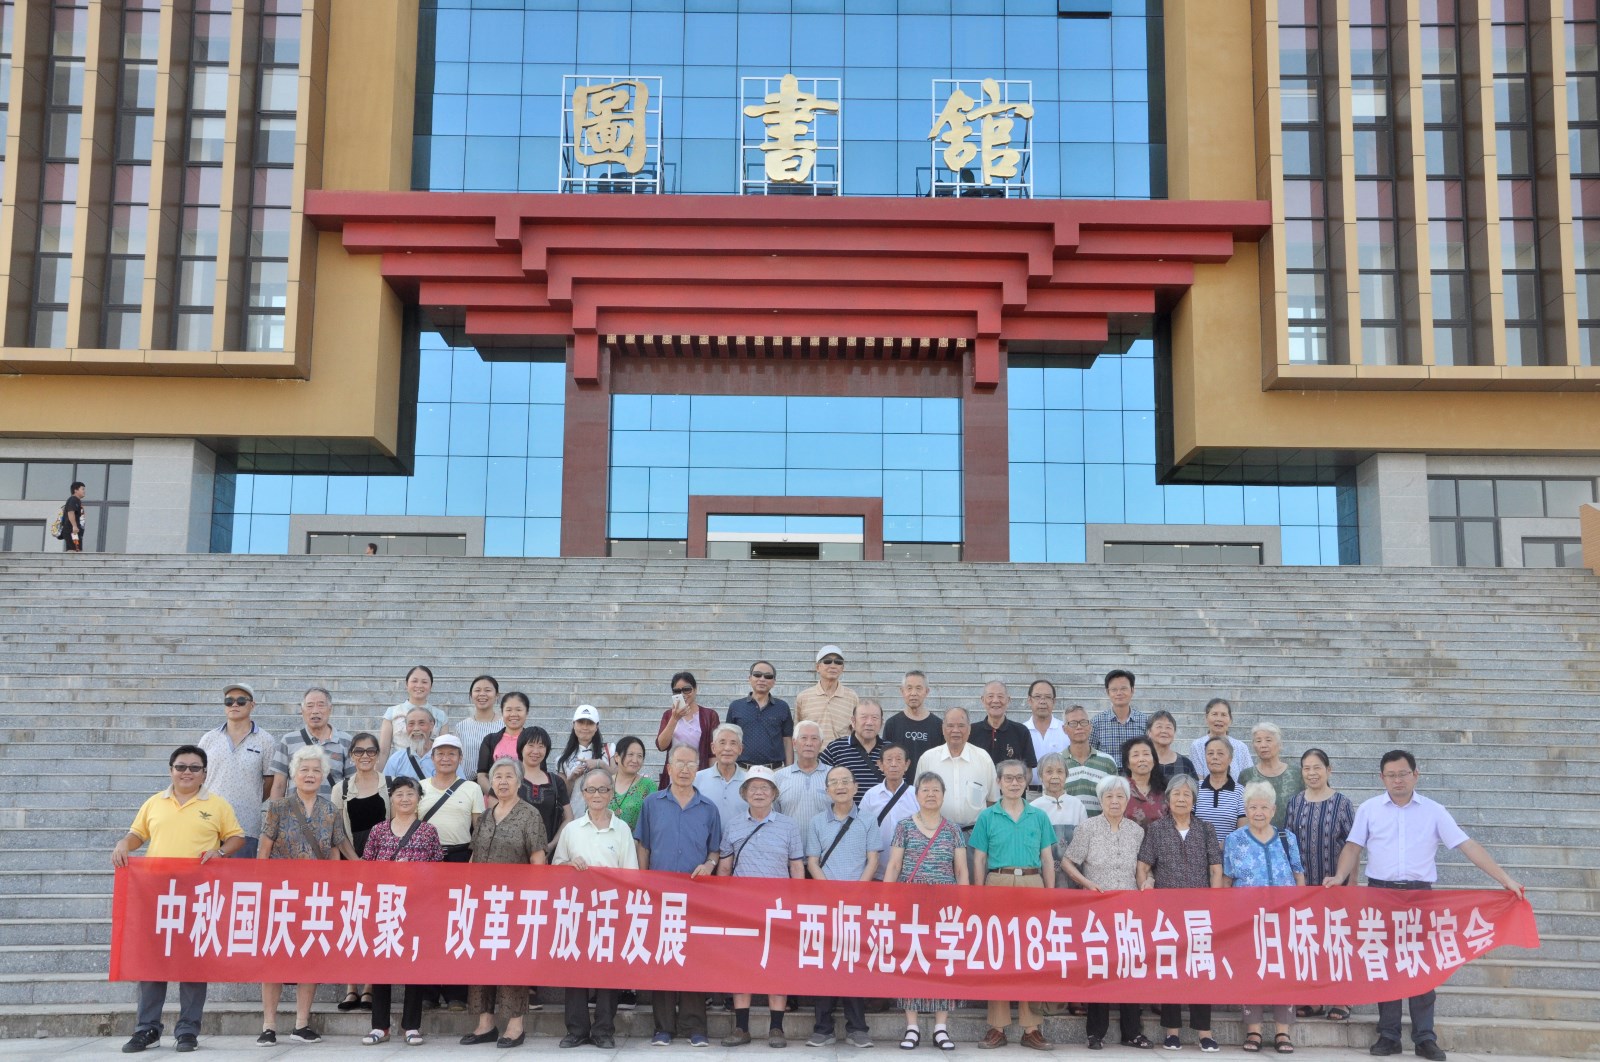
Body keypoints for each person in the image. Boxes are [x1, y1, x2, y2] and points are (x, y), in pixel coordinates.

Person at [1326, 750, 1526, 1062]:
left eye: (1403, 774)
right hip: (1381, 895)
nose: (1397, 780)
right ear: (1382, 778)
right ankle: (1388, 1035)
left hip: (1420, 897)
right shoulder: (1369, 809)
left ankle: (1424, 1037)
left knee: (1421, 966)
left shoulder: (1434, 811)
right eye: (1391, 775)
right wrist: (1339, 877)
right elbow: (1352, 846)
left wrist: (1505, 879)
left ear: (1415, 775)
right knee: (1385, 965)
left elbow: (1467, 844)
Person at [113, 745, 244, 1054]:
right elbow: (137, 834)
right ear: (171, 770)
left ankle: (188, 1030)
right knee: (152, 962)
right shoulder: (154, 803)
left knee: (193, 963)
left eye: (194, 768)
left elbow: (236, 837)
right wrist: (124, 843)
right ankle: (147, 1029)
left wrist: (220, 852)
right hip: (156, 895)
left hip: (197, 895)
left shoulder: (217, 804)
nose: (187, 772)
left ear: (204, 774)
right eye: (181, 767)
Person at [256, 746, 355, 1046]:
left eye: (316, 770)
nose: (310, 775)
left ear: (323, 775)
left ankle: (302, 1023)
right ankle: (268, 1025)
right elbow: (263, 850)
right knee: (275, 958)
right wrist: (263, 888)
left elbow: (336, 852)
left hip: (316, 897)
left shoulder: (331, 810)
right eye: (304, 770)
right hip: (281, 895)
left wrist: (334, 890)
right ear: (294, 774)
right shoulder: (277, 807)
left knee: (309, 957)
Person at [636, 745, 723, 1047]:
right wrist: (645, 882)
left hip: (695, 896)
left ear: (698, 769)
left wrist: (709, 864)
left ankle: (695, 1026)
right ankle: (663, 1028)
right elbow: (643, 845)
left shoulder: (708, 808)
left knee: (694, 959)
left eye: (691, 764)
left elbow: (715, 850)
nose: (685, 769)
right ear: (669, 768)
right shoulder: (652, 803)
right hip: (659, 894)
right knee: (663, 957)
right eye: (679, 763)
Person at [970, 760, 1057, 1051]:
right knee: (999, 954)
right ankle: (997, 1027)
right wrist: (980, 894)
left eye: (1019, 778)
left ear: (1027, 781)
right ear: (998, 782)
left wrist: (1050, 895)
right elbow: (979, 858)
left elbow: (1047, 858)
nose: (1014, 783)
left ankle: (1031, 1028)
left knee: (1031, 955)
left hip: (1032, 883)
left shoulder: (1038, 816)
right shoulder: (987, 816)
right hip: (998, 882)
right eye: (1008, 778)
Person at [461, 757, 548, 1049]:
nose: (502, 781)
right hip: (482, 902)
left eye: (509, 776)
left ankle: (514, 1025)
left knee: (511, 963)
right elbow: (474, 856)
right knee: (481, 961)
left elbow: (538, 860)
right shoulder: (486, 816)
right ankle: (485, 1023)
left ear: (519, 781)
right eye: (497, 776)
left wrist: (532, 901)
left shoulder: (529, 815)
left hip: (514, 903)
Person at [1061, 776, 1151, 1050]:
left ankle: (1132, 1032)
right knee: (1099, 968)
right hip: (1096, 910)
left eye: (1120, 796)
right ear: (1100, 800)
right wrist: (1087, 884)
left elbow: (1144, 868)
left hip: (1129, 910)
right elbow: (1067, 861)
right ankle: (1095, 1033)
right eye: (1109, 796)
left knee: (1129, 968)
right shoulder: (1088, 828)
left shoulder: (1136, 831)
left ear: (1127, 801)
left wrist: (1148, 882)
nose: (1114, 801)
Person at [718, 766, 805, 1047]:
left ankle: (776, 1028)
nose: (759, 793)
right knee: (740, 966)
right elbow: (725, 867)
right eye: (753, 788)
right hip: (742, 908)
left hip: (778, 908)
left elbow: (796, 867)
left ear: (774, 793)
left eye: (765, 788)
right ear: (744, 793)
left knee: (777, 966)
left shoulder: (788, 825)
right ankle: (741, 1028)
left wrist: (796, 905)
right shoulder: (733, 825)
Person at [1135, 775, 1222, 1051]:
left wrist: (1215, 904)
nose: (1181, 799)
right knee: (1170, 969)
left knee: (1200, 969)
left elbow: (1215, 869)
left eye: (1187, 795)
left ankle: (1204, 1033)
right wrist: (1146, 887)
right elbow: (1143, 866)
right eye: (1176, 794)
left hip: (1199, 911)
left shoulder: (1206, 829)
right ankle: (1172, 1031)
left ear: (1194, 801)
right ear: (1168, 800)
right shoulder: (1156, 830)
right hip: (1167, 913)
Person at [883, 772, 969, 1052]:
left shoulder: (953, 829)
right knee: (911, 960)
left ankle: (941, 1028)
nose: (931, 794)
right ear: (917, 795)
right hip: (911, 903)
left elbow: (961, 870)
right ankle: (912, 1026)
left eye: (936, 790)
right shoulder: (904, 826)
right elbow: (894, 866)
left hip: (945, 904)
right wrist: (886, 901)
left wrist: (963, 904)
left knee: (943, 961)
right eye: (925, 790)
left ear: (943, 795)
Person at [553, 769, 638, 1049]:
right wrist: (569, 865)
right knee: (575, 969)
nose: (597, 795)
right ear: (583, 794)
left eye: (603, 789)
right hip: (577, 910)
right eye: (591, 790)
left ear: (611, 793)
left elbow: (630, 874)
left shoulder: (622, 829)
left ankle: (603, 1030)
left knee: (608, 971)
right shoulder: (572, 829)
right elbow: (556, 868)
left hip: (611, 910)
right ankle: (576, 1030)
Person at [1223, 782, 1306, 1054]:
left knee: (1284, 970)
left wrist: (1301, 907)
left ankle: (1283, 1032)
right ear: (1246, 810)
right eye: (1252, 807)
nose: (1258, 812)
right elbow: (1227, 879)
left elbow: (1298, 874)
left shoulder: (1286, 837)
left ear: (1273, 809)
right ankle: (1254, 1030)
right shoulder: (1235, 839)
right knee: (1251, 970)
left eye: (1263, 807)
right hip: (1247, 919)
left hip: (1283, 917)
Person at [361, 777, 444, 1046]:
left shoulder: (428, 831)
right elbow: (366, 868)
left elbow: (438, 870)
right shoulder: (378, 831)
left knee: (413, 966)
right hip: (384, 907)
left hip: (416, 908)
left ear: (418, 798)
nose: (405, 799)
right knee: (381, 967)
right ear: (391, 798)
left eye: (410, 794)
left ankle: (411, 1026)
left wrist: (415, 872)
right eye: (399, 794)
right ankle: (379, 1026)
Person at [805, 766, 881, 1047]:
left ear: (855, 786)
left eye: (845, 781)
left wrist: (857, 892)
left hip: (858, 903)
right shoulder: (816, 822)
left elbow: (873, 860)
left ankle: (858, 1028)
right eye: (834, 782)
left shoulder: (868, 820)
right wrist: (830, 892)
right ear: (827, 790)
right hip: (825, 902)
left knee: (855, 963)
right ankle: (822, 1028)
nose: (840, 786)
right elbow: (812, 862)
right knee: (825, 963)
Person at [1282, 748, 1355, 1022]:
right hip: (1303, 887)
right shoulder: (1295, 803)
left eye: (1317, 768)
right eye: (1306, 768)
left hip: (1334, 884)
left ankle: (1342, 998)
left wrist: (1351, 882)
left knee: (1336, 941)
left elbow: (1353, 845)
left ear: (1328, 770)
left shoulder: (1342, 803)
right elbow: (1288, 843)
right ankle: (1312, 998)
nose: (1311, 773)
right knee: (1309, 941)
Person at [329, 730, 387, 1013]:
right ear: (351, 756)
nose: (365, 756)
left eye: (371, 751)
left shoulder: (390, 785)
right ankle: (350, 988)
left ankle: (369, 988)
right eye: (359, 751)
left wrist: (376, 862)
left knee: (376, 924)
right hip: (350, 862)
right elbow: (336, 831)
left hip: (382, 865)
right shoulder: (340, 788)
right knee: (351, 924)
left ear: (378, 755)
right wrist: (355, 861)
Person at [197, 681, 275, 859]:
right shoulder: (209, 739)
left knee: (240, 874)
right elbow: (198, 776)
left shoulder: (265, 740)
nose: (234, 705)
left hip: (245, 824)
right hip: (209, 822)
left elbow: (270, 781)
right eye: (229, 701)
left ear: (252, 705)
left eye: (241, 701)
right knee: (205, 874)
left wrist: (251, 798)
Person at [920, 707, 997, 833]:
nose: (955, 730)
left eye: (961, 725)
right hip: (937, 833)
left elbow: (992, 800)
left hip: (975, 833)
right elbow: (918, 798)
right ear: (943, 729)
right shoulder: (928, 759)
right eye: (950, 726)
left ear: (969, 729)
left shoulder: (983, 758)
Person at [268, 686, 352, 799]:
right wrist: (275, 809)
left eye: (321, 705)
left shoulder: (346, 741)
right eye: (310, 706)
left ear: (330, 709)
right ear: (302, 711)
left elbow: (353, 783)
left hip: (334, 809)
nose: (315, 711)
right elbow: (279, 785)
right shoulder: (288, 741)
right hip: (296, 809)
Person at [857, 742, 916, 880]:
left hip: (909, 872)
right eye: (889, 760)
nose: (894, 764)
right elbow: (861, 830)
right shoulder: (871, 795)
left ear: (907, 764)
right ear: (880, 764)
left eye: (899, 759)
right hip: (876, 870)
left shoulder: (916, 795)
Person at [1030, 751, 1087, 886]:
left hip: (1074, 874)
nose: (1055, 776)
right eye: (1049, 772)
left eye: (1060, 771)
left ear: (1066, 775)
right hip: (1043, 875)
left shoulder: (1077, 805)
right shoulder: (1033, 807)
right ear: (1040, 776)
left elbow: (1085, 843)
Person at [655, 671, 720, 786]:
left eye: (687, 689)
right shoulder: (669, 715)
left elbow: (713, 752)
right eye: (677, 691)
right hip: (675, 773)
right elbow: (661, 745)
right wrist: (674, 718)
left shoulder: (709, 715)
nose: (682, 694)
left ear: (695, 689)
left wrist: (712, 778)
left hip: (699, 772)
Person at [727, 659, 793, 768]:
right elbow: (729, 738)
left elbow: (787, 740)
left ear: (774, 681)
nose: (762, 679)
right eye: (757, 675)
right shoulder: (736, 706)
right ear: (750, 678)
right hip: (742, 770)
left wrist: (789, 769)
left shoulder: (782, 707)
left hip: (774, 771)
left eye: (768, 676)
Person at [820, 698, 886, 805]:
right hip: (845, 813)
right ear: (853, 721)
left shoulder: (890, 751)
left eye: (875, 718)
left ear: (882, 722)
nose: (869, 723)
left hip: (882, 813)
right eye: (864, 717)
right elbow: (820, 780)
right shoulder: (835, 748)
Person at [1238, 721, 1303, 828]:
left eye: (1268, 740)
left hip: (1291, 835)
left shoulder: (1296, 773)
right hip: (1255, 835)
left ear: (1280, 744)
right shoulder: (1246, 775)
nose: (1263, 745)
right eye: (1258, 741)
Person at [517, 726, 570, 856]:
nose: (536, 751)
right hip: (514, 853)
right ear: (521, 747)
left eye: (541, 746)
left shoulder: (556, 781)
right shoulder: (509, 778)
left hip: (547, 852)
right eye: (531, 745)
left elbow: (568, 818)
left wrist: (551, 846)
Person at [379, 664, 449, 762]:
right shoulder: (392, 712)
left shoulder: (440, 716)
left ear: (431, 686)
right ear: (406, 684)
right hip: (400, 767)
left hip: (430, 768)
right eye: (414, 681)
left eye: (424, 682)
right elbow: (383, 751)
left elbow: (443, 750)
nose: (419, 685)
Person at [794, 644, 858, 745]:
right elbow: (797, 732)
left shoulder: (852, 697)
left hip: (841, 754)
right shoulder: (803, 697)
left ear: (842, 668)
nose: (833, 666)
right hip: (813, 754)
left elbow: (857, 731)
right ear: (817, 667)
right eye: (827, 661)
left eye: (838, 662)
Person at [1061, 704, 1117, 815]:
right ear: (1064, 729)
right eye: (1073, 723)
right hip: (1067, 825)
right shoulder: (1057, 762)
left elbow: (1115, 799)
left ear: (1090, 726)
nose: (1079, 727)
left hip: (1100, 825)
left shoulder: (1107, 762)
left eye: (1083, 722)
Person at [882, 670, 939, 776]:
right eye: (909, 688)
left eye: (918, 688)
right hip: (900, 784)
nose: (913, 693)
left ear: (927, 691)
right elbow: (886, 757)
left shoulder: (938, 725)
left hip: (928, 784)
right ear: (902, 691)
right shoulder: (892, 724)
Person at [774, 719, 830, 829]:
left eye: (814, 738)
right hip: (789, 839)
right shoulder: (778, 777)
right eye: (804, 738)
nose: (809, 743)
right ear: (794, 743)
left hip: (825, 840)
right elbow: (774, 815)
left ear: (821, 743)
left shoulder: (833, 776)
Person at [973, 681, 1037, 775]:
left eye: (1000, 696)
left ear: (1008, 700)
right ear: (983, 700)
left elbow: (1028, 770)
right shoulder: (971, 731)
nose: (995, 700)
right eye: (990, 696)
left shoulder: (1021, 731)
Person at [1090, 669, 1148, 769]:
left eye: (1123, 688)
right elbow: (1090, 753)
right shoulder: (1096, 722)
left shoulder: (1145, 721)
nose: (1119, 693)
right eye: (1114, 689)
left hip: (1136, 775)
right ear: (1108, 692)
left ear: (1132, 690)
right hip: (1107, 776)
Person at [696, 723, 749, 831]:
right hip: (705, 840)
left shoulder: (749, 781)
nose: (727, 748)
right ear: (713, 748)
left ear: (740, 749)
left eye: (733, 743)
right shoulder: (697, 779)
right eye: (722, 742)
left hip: (740, 840)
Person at [476, 690, 530, 797]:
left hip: (525, 799)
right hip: (495, 799)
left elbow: (539, 772)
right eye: (508, 710)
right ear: (502, 712)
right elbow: (482, 775)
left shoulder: (533, 741)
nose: (513, 714)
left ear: (527, 712)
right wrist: (496, 795)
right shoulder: (490, 740)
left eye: (519, 710)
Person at [1187, 698, 1252, 781]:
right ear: (1206, 718)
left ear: (1230, 720)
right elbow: (1198, 780)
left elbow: (1249, 779)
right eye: (1214, 714)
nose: (1219, 719)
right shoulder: (1197, 745)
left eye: (1223, 715)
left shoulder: (1241, 747)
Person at [1195, 735, 1246, 841]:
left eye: (1220, 753)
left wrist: (1221, 846)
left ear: (1230, 759)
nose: (1215, 757)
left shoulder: (1240, 792)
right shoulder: (1195, 788)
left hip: (1228, 849)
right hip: (1198, 849)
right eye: (1210, 753)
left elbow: (1242, 832)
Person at [555, 703, 614, 790]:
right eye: (581, 722)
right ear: (573, 724)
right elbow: (562, 795)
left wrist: (600, 764)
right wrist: (572, 779)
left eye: (590, 723)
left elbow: (619, 779)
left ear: (597, 726)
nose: (585, 727)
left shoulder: (609, 749)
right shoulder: (562, 759)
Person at [454, 674, 501, 780]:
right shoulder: (461, 727)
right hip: (466, 783)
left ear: (497, 695)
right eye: (477, 690)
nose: (482, 694)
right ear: (471, 695)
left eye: (487, 690)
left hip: (496, 784)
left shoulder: (504, 726)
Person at [1023, 679, 1069, 785]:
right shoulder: (1021, 731)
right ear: (1029, 700)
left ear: (1054, 701)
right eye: (1037, 697)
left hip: (1060, 790)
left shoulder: (1065, 730)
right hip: (1029, 791)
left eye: (1048, 697)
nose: (1042, 701)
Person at [384, 705, 446, 781]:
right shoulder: (396, 759)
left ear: (431, 725)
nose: (416, 729)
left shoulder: (445, 758)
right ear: (406, 727)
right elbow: (386, 786)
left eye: (421, 723)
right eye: (411, 724)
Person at [607, 735, 657, 828]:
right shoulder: (604, 783)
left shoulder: (649, 786)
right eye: (630, 754)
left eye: (639, 756)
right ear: (617, 757)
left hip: (636, 837)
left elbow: (654, 820)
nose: (635, 760)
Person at [1120, 735, 1168, 827]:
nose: (1142, 759)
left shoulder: (1165, 789)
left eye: (1146, 754)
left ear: (1154, 761)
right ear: (1127, 764)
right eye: (1135, 755)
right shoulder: (1119, 789)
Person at [1146, 710, 1196, 780]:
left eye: (1168, 727)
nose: (1164, 731)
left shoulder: (1185, 763)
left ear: (1174, 732)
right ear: (1149, 732)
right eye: (1159, 726)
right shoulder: (1142, 761)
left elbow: (1194, 786)